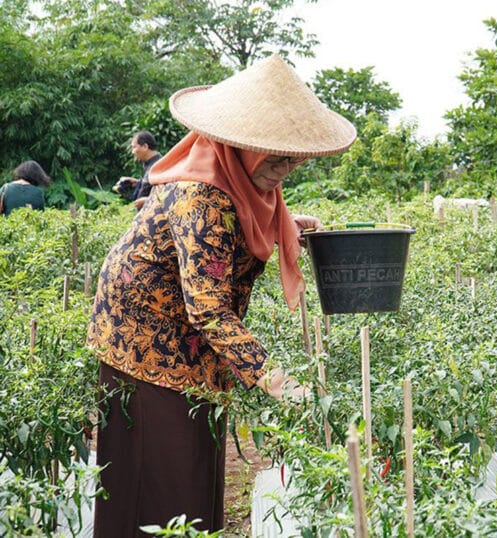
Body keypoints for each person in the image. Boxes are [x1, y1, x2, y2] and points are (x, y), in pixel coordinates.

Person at [86, 55, 356, 536]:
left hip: (182, 335)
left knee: (193, 456)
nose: (286, 167)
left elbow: (239, 225)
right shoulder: (202, 195)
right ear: (239, 147)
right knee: (165, 473)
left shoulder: (234, 180)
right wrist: (271, 378)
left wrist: (286, 226)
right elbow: (209, 307)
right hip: (145, 336)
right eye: (273, 154)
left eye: (293, 156)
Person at [113, 130, 162, 210]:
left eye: (134, 147)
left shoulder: (160, 166)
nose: (132, 152)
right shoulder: (150, 164)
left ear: (145, 147)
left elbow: (169, 194)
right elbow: (151, 185)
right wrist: (138, 182)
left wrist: (149, 200)